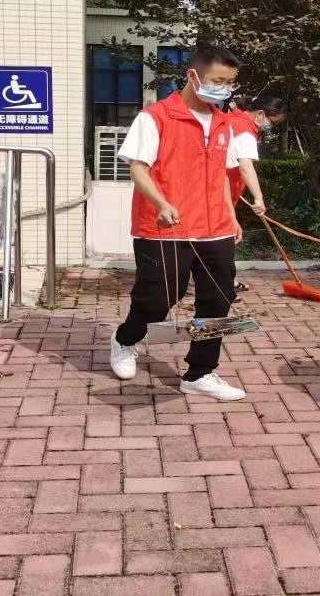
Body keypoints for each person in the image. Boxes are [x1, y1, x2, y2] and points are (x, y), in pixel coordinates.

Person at [110, 45, 246, 401]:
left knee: (218, 299)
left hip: (215, 228)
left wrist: (231, 216)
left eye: (229, 82)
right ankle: (125, 339)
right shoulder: (156, 117)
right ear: (193, 76)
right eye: (217, 80)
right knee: (158, 299)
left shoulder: (224, 123)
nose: (223, 88)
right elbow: (138, 168)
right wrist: (161, 202)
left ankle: (200, 372)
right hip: (164, 227)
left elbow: (221, 175)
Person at [226, 95, 288, 293]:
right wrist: (259, 198)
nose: (270, 127)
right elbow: (245, 166)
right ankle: (223, 285)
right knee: (224, 237)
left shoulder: (230, 119)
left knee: (217, 238)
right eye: (272, 122)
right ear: (260, 114)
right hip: (221, 192)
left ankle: (224, 282)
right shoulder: (245, 131)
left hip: (218, 189)